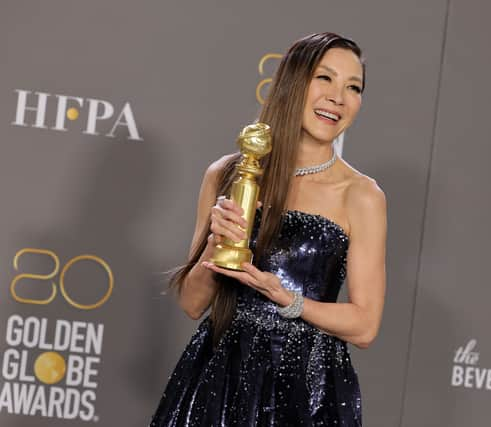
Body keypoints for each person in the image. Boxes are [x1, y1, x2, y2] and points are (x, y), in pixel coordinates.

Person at [150, 32, 387, 427]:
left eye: (354, 87)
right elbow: (192, 304)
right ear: (294, 82)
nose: (338, 98)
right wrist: (215, 242)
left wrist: (288, 300)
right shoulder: (229, 174)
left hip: (307, 391)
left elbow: (364, 326)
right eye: (324, 79)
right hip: (220, 377)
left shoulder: (361, 195)